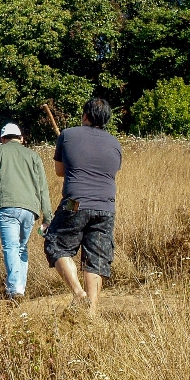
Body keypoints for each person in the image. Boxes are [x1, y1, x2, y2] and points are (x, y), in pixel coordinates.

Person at [44, 98, 122, 314]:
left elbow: (60, 172)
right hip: (106, 206)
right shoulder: (115, 143)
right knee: (96, 258)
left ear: (85, 115)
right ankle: (92, 311)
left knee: (55, 243)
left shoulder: (67, 135)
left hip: (74, 201)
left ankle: (79, 294)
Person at [0, 123, 53, 300]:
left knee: (11, 247)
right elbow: (43, 188)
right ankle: (20, 288)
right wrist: (47, 216)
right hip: (30, 209)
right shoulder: (33, 156)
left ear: (2, 139)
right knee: (21, 248)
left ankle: (14, 290)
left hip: (6, 206)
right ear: (21, 139)